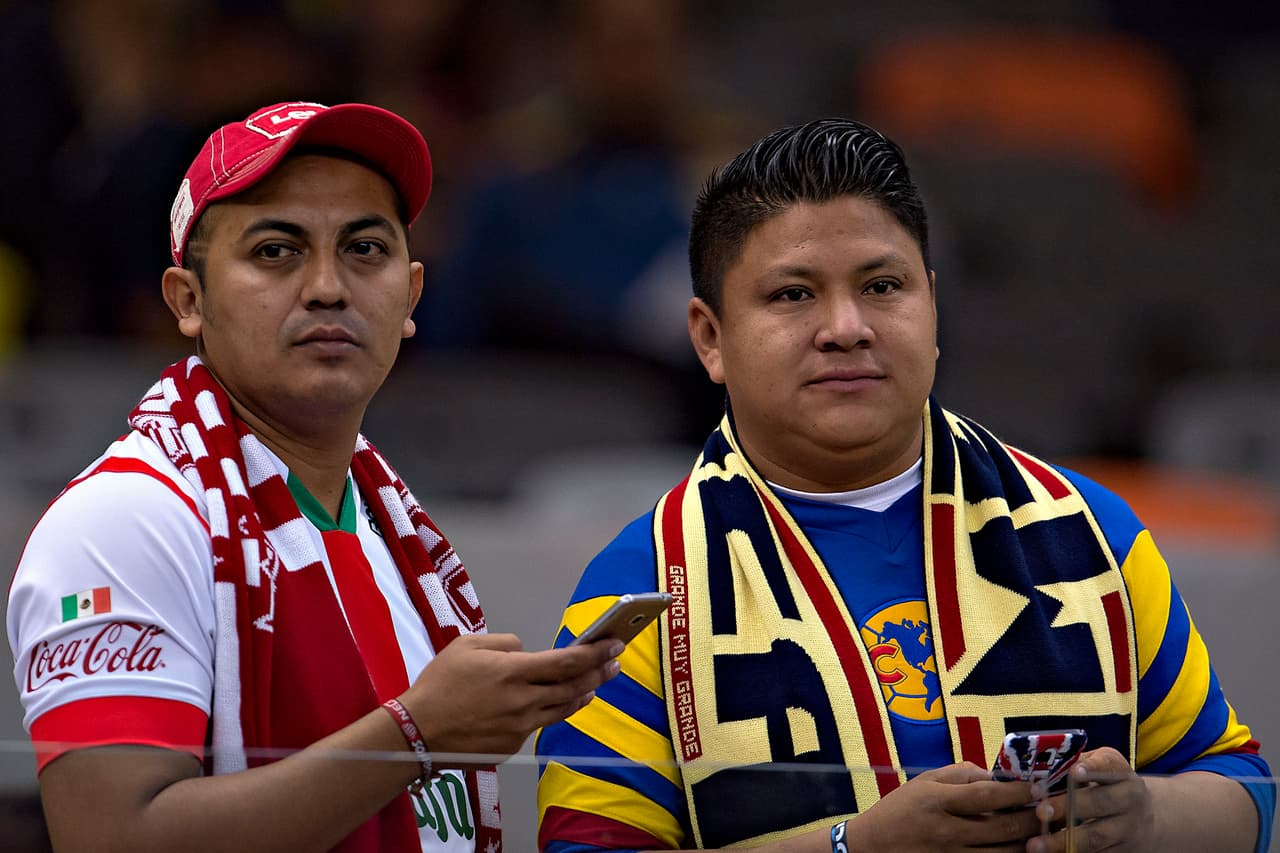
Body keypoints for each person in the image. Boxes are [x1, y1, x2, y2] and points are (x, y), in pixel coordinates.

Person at [534, 118, 1275, 852]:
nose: (846, 326)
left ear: (933, 307)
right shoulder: (641, 588)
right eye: (793, 294)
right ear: (709, 338)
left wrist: (1148, 816)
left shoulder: (1091, 535)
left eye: (883, 285)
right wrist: (853, 846)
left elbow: (1243, 789)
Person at [6, 100, 623, 852]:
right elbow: (111, 839)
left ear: (411, 297)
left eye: (364, 249)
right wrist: (416, 734)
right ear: (188, 300)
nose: (328, 286)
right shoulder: (124, 521)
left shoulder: (394, 527)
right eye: (276, 251)